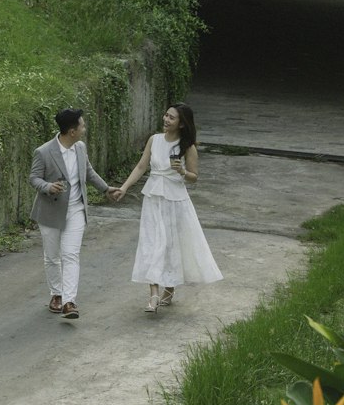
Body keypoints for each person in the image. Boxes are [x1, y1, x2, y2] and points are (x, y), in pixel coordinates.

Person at [110, 102, 222, 314]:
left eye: (172, 118)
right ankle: (153, 294)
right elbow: (142, 166)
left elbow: (194, 177)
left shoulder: (187, 147)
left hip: (175, 201)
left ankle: (169, 289)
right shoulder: (154, 139)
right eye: (166, 115)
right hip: (153, 198)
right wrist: (124, 187)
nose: (166, 119)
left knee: (171, 245)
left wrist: (182, 171)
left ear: (181, 124)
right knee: (152, 243)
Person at [29, 107, 112, 321]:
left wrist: (106, 189)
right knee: (53, 257)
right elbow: (34, 178)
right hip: (50, 211)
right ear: (72, 131)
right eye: (82, 125)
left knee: (71, 254)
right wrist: (48, 186)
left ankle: (69, 301)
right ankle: (56, 294)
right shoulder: (44, 152)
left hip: (76, 209)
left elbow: (89, 172)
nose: (84, 128)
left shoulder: (80, 148)